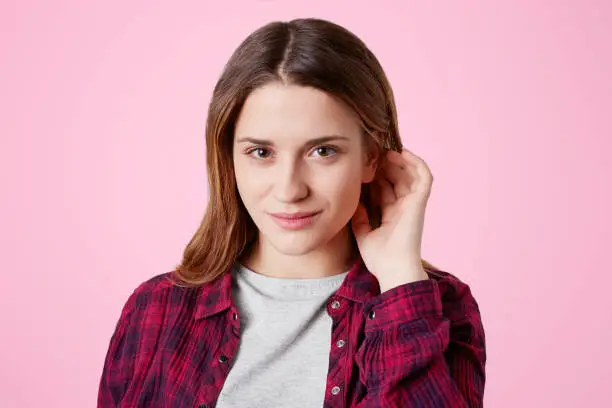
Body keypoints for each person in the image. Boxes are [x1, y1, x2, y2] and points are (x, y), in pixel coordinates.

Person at [98, 17, 486, 408]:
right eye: (261, 153)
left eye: (323, 151)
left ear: (371, 157)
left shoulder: (438, 308)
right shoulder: (155, 310)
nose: (290, 189)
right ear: (229, 159)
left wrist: (401, 278)